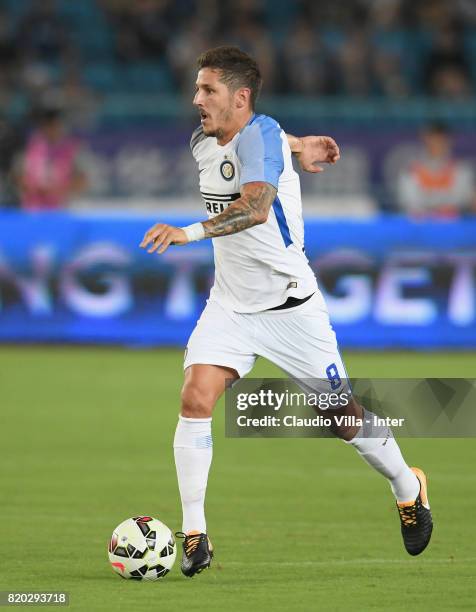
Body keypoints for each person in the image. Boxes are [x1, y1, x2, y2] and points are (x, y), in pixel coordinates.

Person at [141, 46, 433, 577]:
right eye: (197, 88)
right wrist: (303, 145)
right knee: (195, 395)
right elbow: (272, 140)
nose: (196, 99)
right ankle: (195, 533)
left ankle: (407, 486)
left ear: (240, 97)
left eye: (208, 90)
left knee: (341, 419)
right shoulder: (204, 140)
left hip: (291, 307)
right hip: (230, 305)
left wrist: (186, 233)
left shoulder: (263, 135)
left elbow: (254, 207)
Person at [397, 121, 475, 218]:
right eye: (433, 139)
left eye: (441, 140)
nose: (437, 144)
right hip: (421, 229)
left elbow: (464, 202)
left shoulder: (462, 171)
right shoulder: (410, 172)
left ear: (449, 141)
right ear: (425, 140)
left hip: (453, 228)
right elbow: (410, 205)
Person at [17, 105, 88, 211]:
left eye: (56, 125)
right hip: (34, 211)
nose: (52, 130)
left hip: (61, 210)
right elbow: (18, 178)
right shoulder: (30, 149)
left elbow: (83, 181)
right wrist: (35, 189)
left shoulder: (71, 150)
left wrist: (60, 190)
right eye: (48, 126)